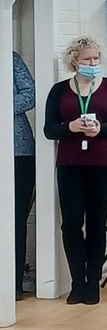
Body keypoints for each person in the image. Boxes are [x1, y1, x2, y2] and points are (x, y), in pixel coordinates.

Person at [43, 37, 107, 304]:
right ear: (74, 61)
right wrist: (69, 128)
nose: (93, 64)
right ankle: (76, 282)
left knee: (97, 223)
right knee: (71, 224)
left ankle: (93, 282)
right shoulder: (59, 91)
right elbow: (49, 130)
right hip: (71, 165)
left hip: (103, 165)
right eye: (87, 59)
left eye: (96, 59)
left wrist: (101, 129)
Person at [12, 52, 36, 300]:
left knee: (17, 219)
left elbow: (30, 95)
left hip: (19, 152)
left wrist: (3, 104)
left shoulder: (11, 59)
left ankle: (14, 282)